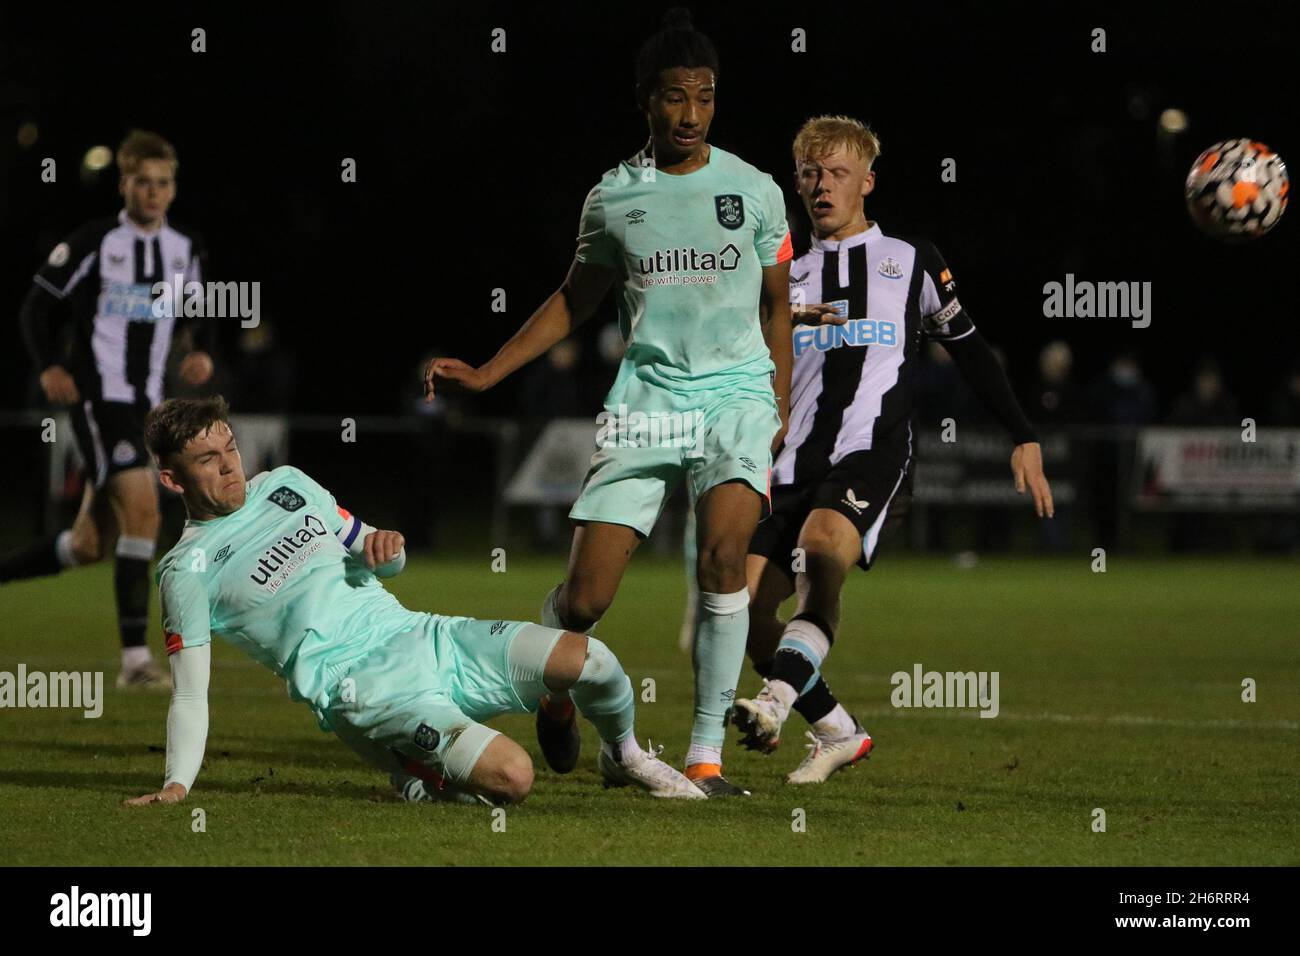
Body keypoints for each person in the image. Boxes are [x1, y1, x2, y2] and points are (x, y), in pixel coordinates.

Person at [425, 9, 793, 796]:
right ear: (645, 101)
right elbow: (573, 298)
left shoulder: (755, 190)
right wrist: (490, 372)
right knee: (586, 600)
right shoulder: (614, 197)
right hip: (647, 401)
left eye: (705, 97)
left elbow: (779, 307)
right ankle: (555, 688)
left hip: (735, 397)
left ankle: (703, 756)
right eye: (674, 97)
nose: (690, 113)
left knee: (725, 562)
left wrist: (779, 399)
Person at [124, 397, 701, 808]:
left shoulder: (290, 484)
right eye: (209, 460)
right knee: (514, 778)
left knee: (592, 661)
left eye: (231, 448)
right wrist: (177, 786)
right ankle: (412, 771)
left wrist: (388, 549)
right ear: (172, 480)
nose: (231, 466)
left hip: (421, 633)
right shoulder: (186, 570)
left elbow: (378, 552)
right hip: (363, 688)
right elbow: (192, 691)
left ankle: (622, 756)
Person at [734, 116, 1054, 783]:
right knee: (739, 606)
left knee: (821, 553)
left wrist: (1022, 433)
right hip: (783, 460)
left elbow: (970, 351)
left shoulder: (911, 260)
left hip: (871, 450)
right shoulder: (778, 271)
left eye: (839, 173)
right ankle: (837, 730)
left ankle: (773, 702)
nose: (823, 186)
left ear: (867, 182)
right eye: (811, 173)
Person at [1, 130, 214, 690]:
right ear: (124, 184)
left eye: (163, 183)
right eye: (142, 181)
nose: (153, 192)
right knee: (144, 513)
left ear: (172, 189)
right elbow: (34, 307)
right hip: (101, 399)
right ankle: (135, 665)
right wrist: (50, 365)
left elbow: (194, 315)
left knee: (87, 545)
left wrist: (197, 356)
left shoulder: (185, 248)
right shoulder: (96, 240)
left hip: (148, 406)